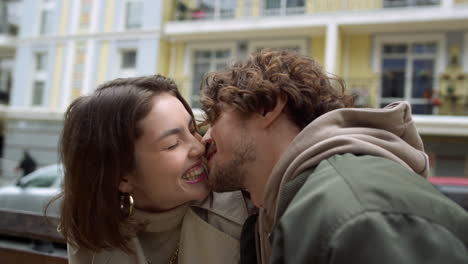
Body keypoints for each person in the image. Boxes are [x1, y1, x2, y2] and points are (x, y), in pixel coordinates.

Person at [200, 49, 468, 264]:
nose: (204, 138)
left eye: (214, 117)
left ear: (268, 107)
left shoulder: (359, 216)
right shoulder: (280, 210)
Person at [57, 75, 249, 264]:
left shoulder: (242, 213)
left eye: (192, 130)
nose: (199, 147)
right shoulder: (93, 229)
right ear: (121, 176)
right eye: (172, 144)